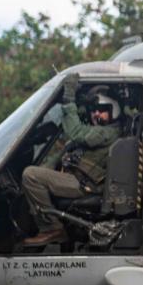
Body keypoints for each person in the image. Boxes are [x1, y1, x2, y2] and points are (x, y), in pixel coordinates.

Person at [21, 75, 121, 246]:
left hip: (85, 185)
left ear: (114, 110)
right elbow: (72, 141)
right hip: (78, 179)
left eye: (101, 109)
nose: (96, 113)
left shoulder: (109, 132)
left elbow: (76, 132)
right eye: (93, 110)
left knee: (31, 175)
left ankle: (52, 228)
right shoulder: (99, 130)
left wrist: (69, 100)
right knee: (37, 171)